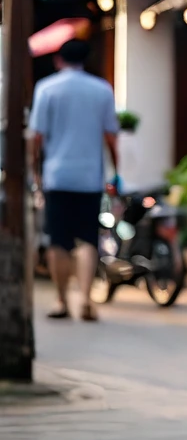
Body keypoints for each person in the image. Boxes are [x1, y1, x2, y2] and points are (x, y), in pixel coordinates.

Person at [28, 38, 118, 322]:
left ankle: (61, 299)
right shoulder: (102, 89)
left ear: (58, 60)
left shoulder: (47, 88)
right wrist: (116, 171)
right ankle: (88, 299)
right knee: (88, 240)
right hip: (90, 176)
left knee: (59, 241)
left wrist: (35, 171)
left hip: (57, 175)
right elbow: (111, 135)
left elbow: (37, 137)